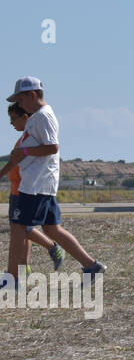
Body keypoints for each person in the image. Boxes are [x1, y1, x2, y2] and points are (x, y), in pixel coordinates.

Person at [2, 77, 104, 287]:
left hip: (35, 184)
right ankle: (91, 266)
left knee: (19, 226)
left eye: (21, 100)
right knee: (51, 229)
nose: (20, 105)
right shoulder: (38, 117)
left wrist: (24, 151)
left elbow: (52, 147)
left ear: (32, 95)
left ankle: (11, 279)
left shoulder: (42, 116)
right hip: (41, 183)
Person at [0, 102, 63, 275]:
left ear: (25, 118)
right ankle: (24, 266)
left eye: (14, 118)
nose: (12, 123)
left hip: (24, 189)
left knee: (21, 228)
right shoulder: (23, 140)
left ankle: (51, 247)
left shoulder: (29, 141)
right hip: (16, 189)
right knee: (21, 228)